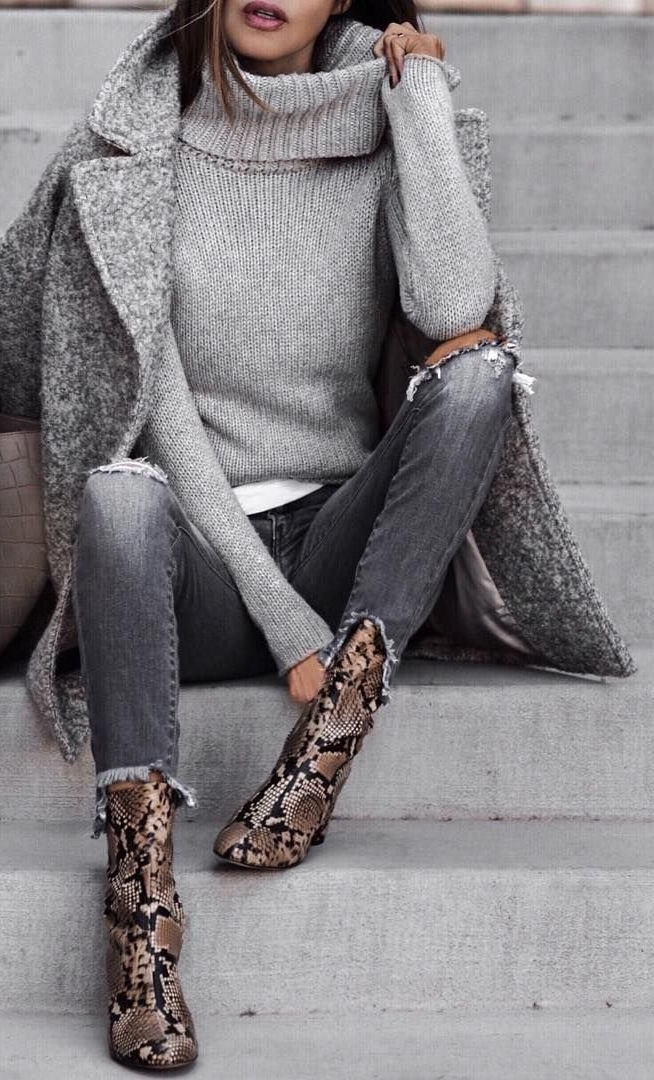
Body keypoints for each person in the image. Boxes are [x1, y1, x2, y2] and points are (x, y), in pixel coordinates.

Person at [67, 0, 516, 1069]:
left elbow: (456, 303)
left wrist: (418, 98)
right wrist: (281, 622)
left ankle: (332, 739)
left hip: (337, 544)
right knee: (116, 495)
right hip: (204, 563)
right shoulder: (147, 139)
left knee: (481, 376)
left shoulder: (380, 121)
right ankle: (140, 915)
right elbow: (154, 408)